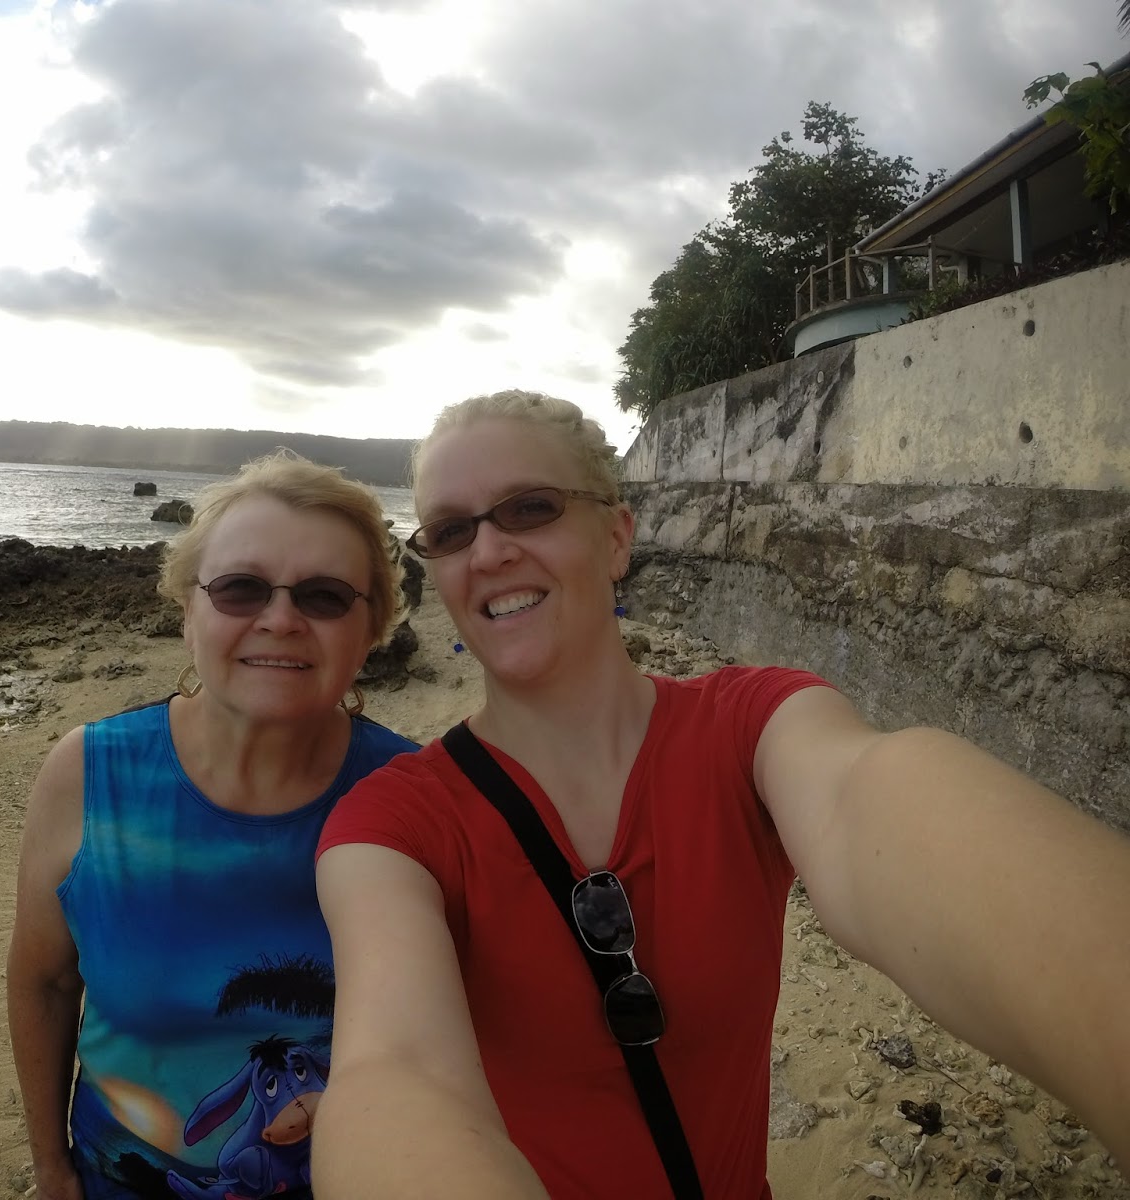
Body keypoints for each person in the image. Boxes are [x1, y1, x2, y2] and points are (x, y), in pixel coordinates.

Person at [311, 390, 1130, 1199]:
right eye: (452, 531)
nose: (489, 550)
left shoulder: (754, 727)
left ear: (616, 537)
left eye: (531, 508)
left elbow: (870, 798)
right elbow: (394, 1073)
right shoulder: (392, 826)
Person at [8, 450, 417, 1200]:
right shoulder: (87, 777)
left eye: (325, 597)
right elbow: (44, 981)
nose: (281, 619)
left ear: (372, 629)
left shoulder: (412, 798)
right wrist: (50, 1166)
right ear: (187, 612)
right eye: (240, 588)